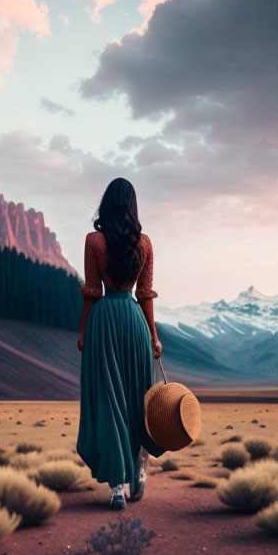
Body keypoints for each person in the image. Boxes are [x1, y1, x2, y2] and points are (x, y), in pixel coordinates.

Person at [76, 177, 166, 510]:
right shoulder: (144, 244)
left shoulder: (93, 241)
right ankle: (137, 468)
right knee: (136, 402)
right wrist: (153, 335)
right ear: (132, 206)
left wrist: (84, 332)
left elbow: (91, 291)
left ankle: (117, 486)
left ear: (106, 204)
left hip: (104, 323)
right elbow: (145, 295)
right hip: (133, 322)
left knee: (109, 401)